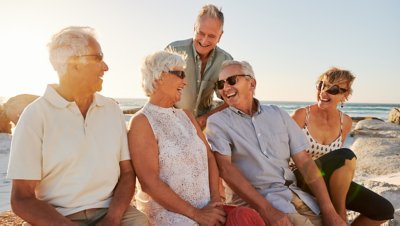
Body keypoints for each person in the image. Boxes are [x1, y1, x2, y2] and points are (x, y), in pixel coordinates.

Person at [7, 26, 148, 226]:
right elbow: (21, 198)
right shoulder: (35, 116)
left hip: (111, 213)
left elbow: (127, 173)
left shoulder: (112, 110)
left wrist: (113, 218)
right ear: (74, 65)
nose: (106, 66)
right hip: (56, 218)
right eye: (98, 58)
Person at [128, 50, 264, 226]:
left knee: (247, 217)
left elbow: (209, 157)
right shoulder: (142, 121)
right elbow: (149, 183)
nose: (185, 81)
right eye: (180, 74)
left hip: (207, 207)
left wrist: (215, 200)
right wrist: (197, 215)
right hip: (172, 214)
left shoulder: (186, 116)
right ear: (159, 76)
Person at [205, 60, 347, 226]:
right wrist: (267, 209)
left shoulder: (278, 114)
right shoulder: (217, 122)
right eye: (220, 84)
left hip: (298, 197)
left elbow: (305, 161)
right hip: (262, 202)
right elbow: (225, 169)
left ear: (252, 83)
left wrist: (329, 210)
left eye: (231, 80)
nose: (225, 88)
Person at [291, 67, 394, 225]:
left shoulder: (345, 122)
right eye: (321, 85)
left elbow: (339, 165)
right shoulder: (301, 115)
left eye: (333, 89)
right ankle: (340, 214)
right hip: (301, 178)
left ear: (345, 95)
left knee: (383, 210)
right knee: (345, 155)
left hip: (327, 180)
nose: (323, 92)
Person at [166, 4, 233, 128]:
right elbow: (157, 90)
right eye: (201, 33)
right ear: (194, 28)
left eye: (212, 36)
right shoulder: (173, 51)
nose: (204, 40)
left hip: (205, 128)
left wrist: (206, 119)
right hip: (172, 125)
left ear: (220, 36)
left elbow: (232, 99)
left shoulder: (226, 61)